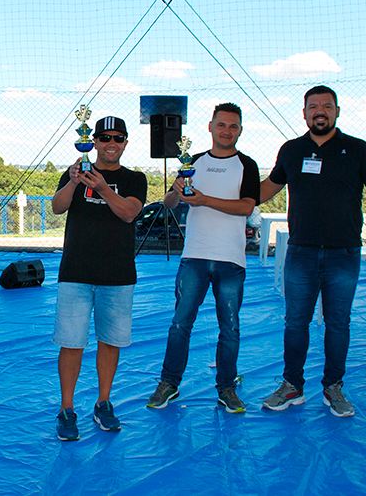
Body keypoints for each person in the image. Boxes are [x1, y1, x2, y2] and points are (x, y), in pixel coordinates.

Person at [260, 85, 366, 418]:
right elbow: (264, 191)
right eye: (313, 106)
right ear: (304, 113)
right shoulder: (291, 150)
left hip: (343, 255)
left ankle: (333, 387)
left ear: (336, 111)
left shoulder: (358, 149)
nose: (320, 111)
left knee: (338, 324)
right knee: (295, 322)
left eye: (326, 106)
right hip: (300, 254)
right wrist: (212, 193)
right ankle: (292, 385)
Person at [147, 103, 260, 413]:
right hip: (194, 257)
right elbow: (169, 203)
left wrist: (205, 200)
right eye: (221, 125)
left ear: (240, 130)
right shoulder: (192, 162)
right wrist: (176, 191)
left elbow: (247, 207)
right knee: (180, 324)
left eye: (233, 126)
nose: (226, 131)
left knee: (230, 329)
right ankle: (169, 382)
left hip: (231, 260)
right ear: (210, 127)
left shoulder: (247, 165)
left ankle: (226, 387)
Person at [51, 116, 147, 441]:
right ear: (93, 141)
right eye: (105, 137)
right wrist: (74, 182)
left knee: (110, 341)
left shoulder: (135, 178)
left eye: (118, 138)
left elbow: (129, 213)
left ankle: (103, 402)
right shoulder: (75, 173)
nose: (111, 143)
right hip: (75, 273)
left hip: (117, 275)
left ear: (125, 143)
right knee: (71, 342)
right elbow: (57, 207)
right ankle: (66, 408)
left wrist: (103, 188)